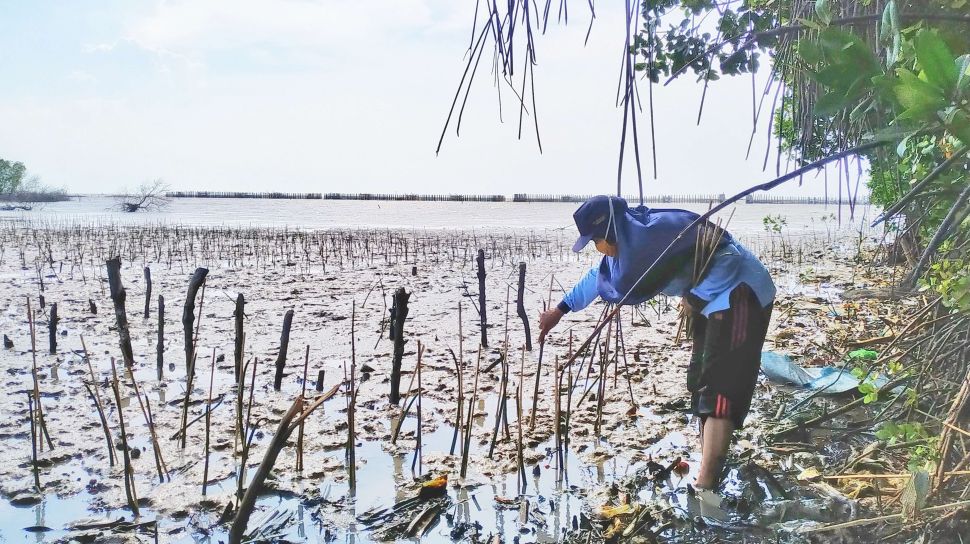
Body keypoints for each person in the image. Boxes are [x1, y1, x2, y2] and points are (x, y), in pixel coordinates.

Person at [537, 195, 775, 494]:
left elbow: (728, 257)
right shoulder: (627, 245)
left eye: (597, 238)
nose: (598, 246)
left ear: (610, 229)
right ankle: (710, 462)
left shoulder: (653, 240)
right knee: (700, 381)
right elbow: (597, 276)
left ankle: (707, 483)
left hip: (741, 293)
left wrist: (695, 298)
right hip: (710, 302)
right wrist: (560, 309)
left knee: (721, 389)